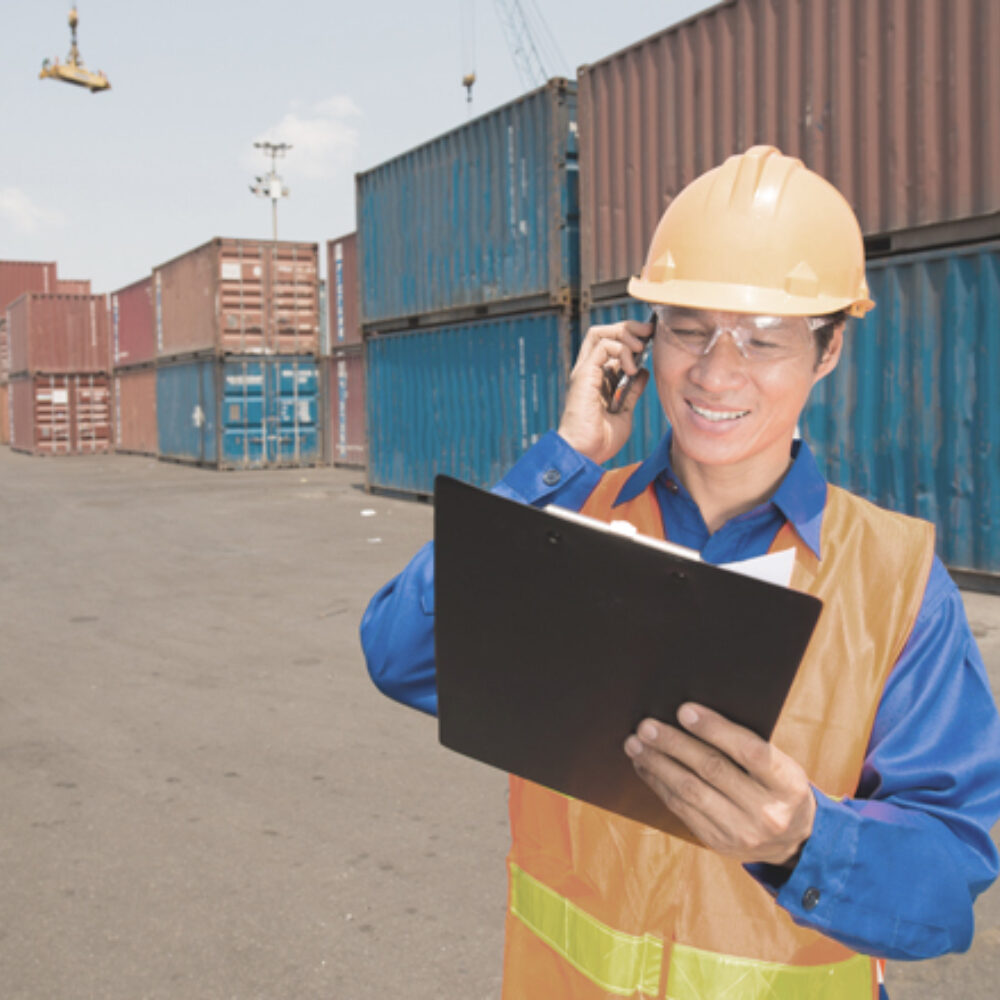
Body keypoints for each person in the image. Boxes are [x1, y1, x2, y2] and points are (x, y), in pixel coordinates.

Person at [360, 146, 1000, 999]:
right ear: (640, 338)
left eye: (764, 339)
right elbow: (401, 654)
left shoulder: (895, 582)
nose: (716, 370)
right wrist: (563, 460)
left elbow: (949, 873)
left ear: (828, 351)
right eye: (689, 328)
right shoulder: (569, 521)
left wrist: (804, 839)